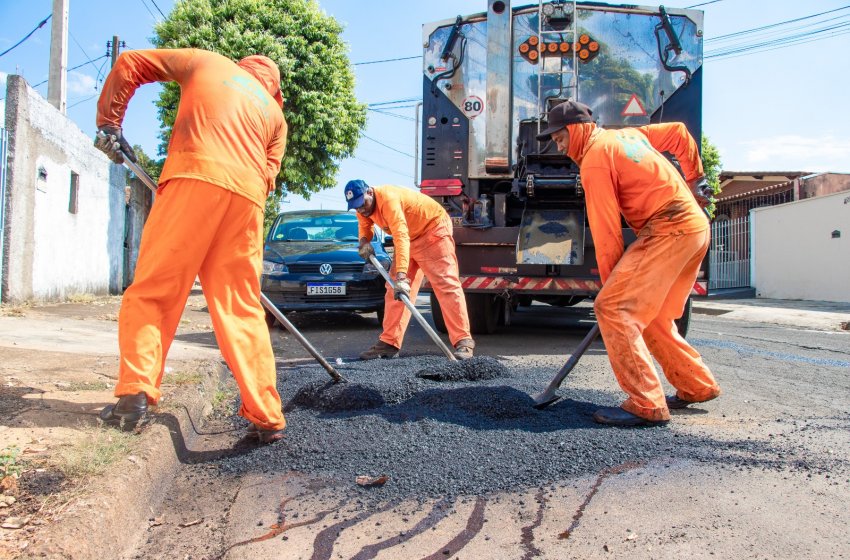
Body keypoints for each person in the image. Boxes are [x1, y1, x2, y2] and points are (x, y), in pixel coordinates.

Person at [94, 48, 288, 443]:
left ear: (242, 67)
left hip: (194, 178)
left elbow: (130, 63)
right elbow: (269, 174)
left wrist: (110, 124)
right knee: (242, 307)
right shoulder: (274, 115)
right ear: (275, 89)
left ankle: (134, 396)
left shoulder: (207, 62)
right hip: (247, 204)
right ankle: (266, 413)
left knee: (155, 291)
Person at [536, 100, 721, 427]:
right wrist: (697, 182)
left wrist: (611, 295)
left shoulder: (594, 160)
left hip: (668, 229)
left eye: (561, 137)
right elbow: (679, 133)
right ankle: (696, 385)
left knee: (616, 308)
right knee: (655, 317)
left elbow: (607, 234)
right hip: (694, 227)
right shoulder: (628, 135)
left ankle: (645, 403)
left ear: (577, 128)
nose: (560, 147)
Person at [344, 180, 475, 361]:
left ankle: (463, 342)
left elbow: (400, 235)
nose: (361, 209)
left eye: (362, 204)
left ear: (370, 193)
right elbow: (365, 225)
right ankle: (390, 343)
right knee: (393, 290)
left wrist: (402, 277)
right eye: (356, 207)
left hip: (433, 230)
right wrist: (364, 241)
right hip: (410, 237)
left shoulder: (388, 199)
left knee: (446, 285)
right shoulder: (363, 208)